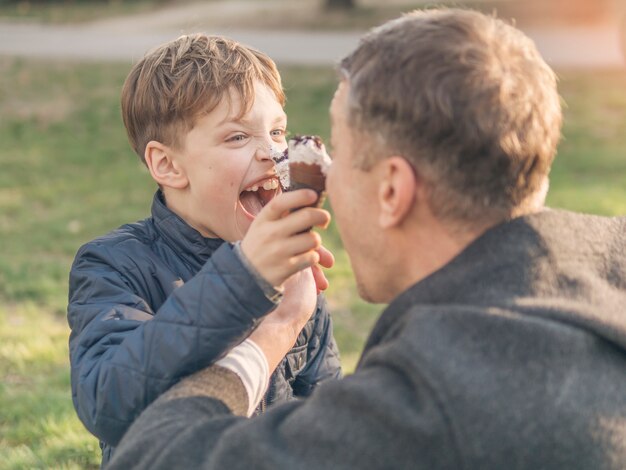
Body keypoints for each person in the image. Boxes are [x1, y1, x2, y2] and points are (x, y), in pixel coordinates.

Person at [109, 9, 626, 469]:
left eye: (337, 152)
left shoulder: (425, 407)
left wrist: (277, 329)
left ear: (392, 189)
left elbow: (151, 456)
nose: (322, 176)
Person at [67, 34, 342, 467]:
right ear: (168, 165)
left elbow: (326, 410)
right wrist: (246, 280)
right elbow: (107, 402)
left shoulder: (294, 272)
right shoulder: (115, 265)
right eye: (237, 137)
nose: (273, 153)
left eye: (276, 131)